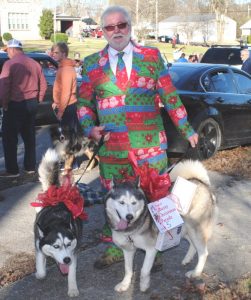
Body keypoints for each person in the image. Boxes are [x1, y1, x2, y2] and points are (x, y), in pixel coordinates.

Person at [77, 5, 198, 269]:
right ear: (103, 31)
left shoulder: (152, 57)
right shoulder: (91, 65)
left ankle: (156, 247)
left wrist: (187, 130)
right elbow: (84, 104)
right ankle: (117, 246)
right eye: (110, 27)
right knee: (116, 202)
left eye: (122, 25)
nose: (117, 31)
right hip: (113, 150)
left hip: (150, 147)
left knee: (155, 200)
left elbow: (170, 96)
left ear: (130, 27)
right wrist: (90, 127)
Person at [0, 39, 47, 178]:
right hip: (31, 103)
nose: (7, 52)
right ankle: (30, 167)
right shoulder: (34, 63)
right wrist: (38, 100)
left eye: (7, 50)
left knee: (9, 138)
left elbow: (4, 87)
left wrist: (4, 104)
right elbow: (43, 84)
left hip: (15, 104)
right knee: (29, 136)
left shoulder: (10, 64)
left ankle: (12, 170)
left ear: (13, 49)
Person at [52, 42, 78, 128]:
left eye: (56, 52)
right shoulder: (62, 67)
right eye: (53, 52)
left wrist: (60, 112)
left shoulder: (66, 69)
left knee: (68, 135)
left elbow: (66, 92)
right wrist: (56, 102)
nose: (53, 54)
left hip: (68, 106)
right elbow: (59, 88)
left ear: (63, 54)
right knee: (66, 133)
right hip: (65, 105)